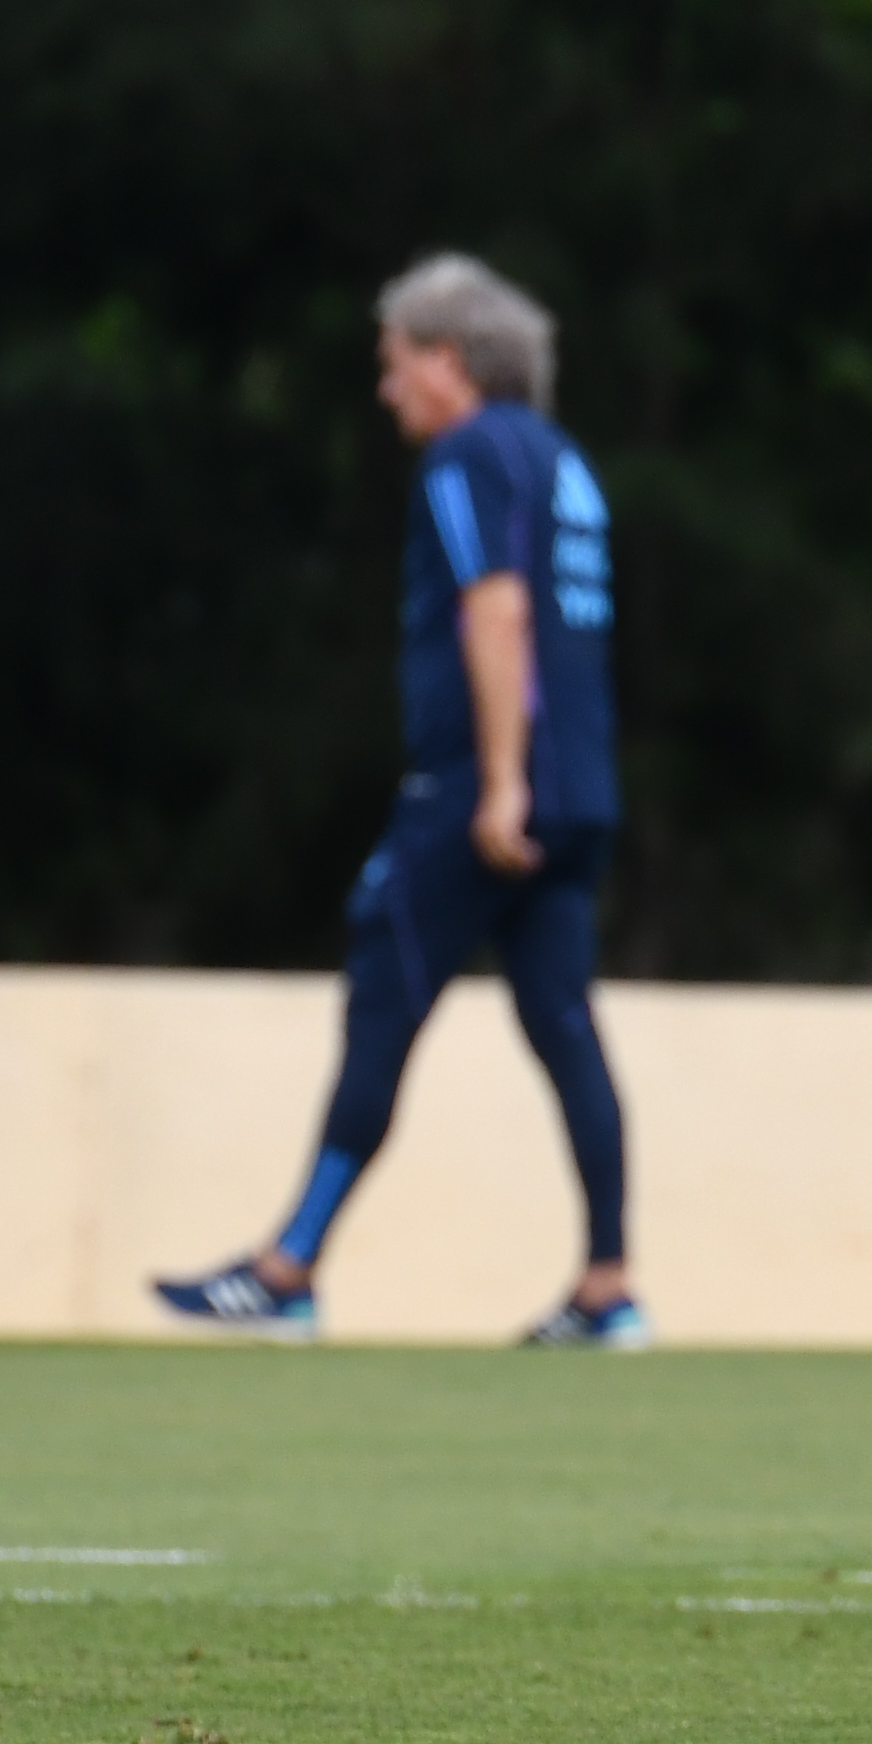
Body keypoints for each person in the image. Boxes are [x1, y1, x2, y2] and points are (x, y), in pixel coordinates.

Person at [156, 254, 644, 1348]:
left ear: (448, 360)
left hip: (484, 784)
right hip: (582, 785)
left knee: (386, 984)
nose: (388, 392)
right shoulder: (561, 460)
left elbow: (497, 610)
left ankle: (287, 1270)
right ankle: (609, 1286)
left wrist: (500, 781)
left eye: (395, 365)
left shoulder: (467, 454)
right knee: (565, 1024)